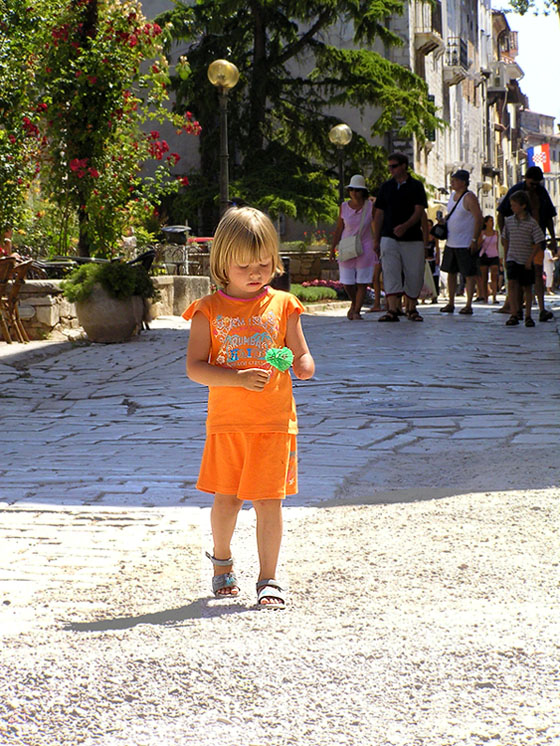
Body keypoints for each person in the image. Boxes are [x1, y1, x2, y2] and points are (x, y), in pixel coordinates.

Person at [183, 206, 315, 610]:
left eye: (263, 263)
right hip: (228, 424)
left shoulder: (284, 305)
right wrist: (237, 378)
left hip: (275, 422)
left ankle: (268, 578)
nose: (255, 272)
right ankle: (222, 561)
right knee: (227, 498)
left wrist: (300, 364)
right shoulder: (207, 311)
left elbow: (303, 357)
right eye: (244, 265)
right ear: (222, 263)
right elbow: (195, 368)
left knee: (269, 501)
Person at [373, 152, 428, 322]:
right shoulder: (386, 187)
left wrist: (406, 226)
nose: (391, 169)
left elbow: (419, 211)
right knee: (390, 271)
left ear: (404, 165)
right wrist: (377, 238)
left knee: (414, 271)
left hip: (412, 237)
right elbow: (379, 213)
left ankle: (411, 307)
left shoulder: (416, 186)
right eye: (389, 166)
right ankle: (393, 308)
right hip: (389, 236)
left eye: (394, 166)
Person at [497, 166, 557, 322]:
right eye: (532, 184)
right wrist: (505, 237)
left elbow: (549, 217)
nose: (534, 187)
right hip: (517, 243)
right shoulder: (516, 192)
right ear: (526, 180)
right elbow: (502, 213)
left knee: (536, 275)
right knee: (515, 280)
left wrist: (552, 238)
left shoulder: (542, 193)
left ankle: (541, 309)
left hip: (536, 240)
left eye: (537, 184)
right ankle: (515, 310)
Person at [330, 174, 377, 320]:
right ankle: (354, 303)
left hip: (366, 246)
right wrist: (332, 247)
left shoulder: (370, 207)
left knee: (362, 281)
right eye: (351, 190)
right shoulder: (344, 207)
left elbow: (376, 225)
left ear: (363, 191)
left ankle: (356, 311)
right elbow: (339, 228)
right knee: (347, 281)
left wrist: (377, 242)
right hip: (347, 246)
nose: (354, 193)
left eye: (357, 190)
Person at [438, 169, 483, 315]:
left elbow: (478, 218)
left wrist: (475, 239)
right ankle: (450, 302)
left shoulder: (469, 197)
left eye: (455, 180)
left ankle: (468, 304)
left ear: (463, 182)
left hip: (465, 242)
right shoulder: (452, 196)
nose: (452, 182)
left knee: (469, 274)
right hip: (452, 242)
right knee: (451, 272)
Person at [501, 191, 544, 327]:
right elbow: (505, 239)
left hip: (525, 259)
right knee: (512, 285)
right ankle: (514, 313)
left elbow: (539, 242)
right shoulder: (508, 221)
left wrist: (530, 259)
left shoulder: (532, 223)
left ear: (523, 206)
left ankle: (528, 315)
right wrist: (506, 256)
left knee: (527, 287)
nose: (512, 207)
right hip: (512, 257)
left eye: (514, 205)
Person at [477, 215, 500, 304]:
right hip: (484, 256)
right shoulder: (482, 233)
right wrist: (481, 241)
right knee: (484, 277)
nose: (492, 222)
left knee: (494, 276)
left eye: (492, 220)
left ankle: (494, 297)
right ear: (486, 223)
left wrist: (500, 257)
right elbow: (478, 245)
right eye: (490, 221)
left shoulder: (496, 233)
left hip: (494, 256)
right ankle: (485, 297)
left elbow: (498, 245)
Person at [425, 219, 440, 304]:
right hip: (425, 259)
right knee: (425, 279)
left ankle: (434, 297)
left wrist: (438, 258)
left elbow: (437, 247)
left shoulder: (435, 236)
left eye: (430, 225)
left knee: (434, 279)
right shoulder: (422, 235)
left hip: (433, 258)